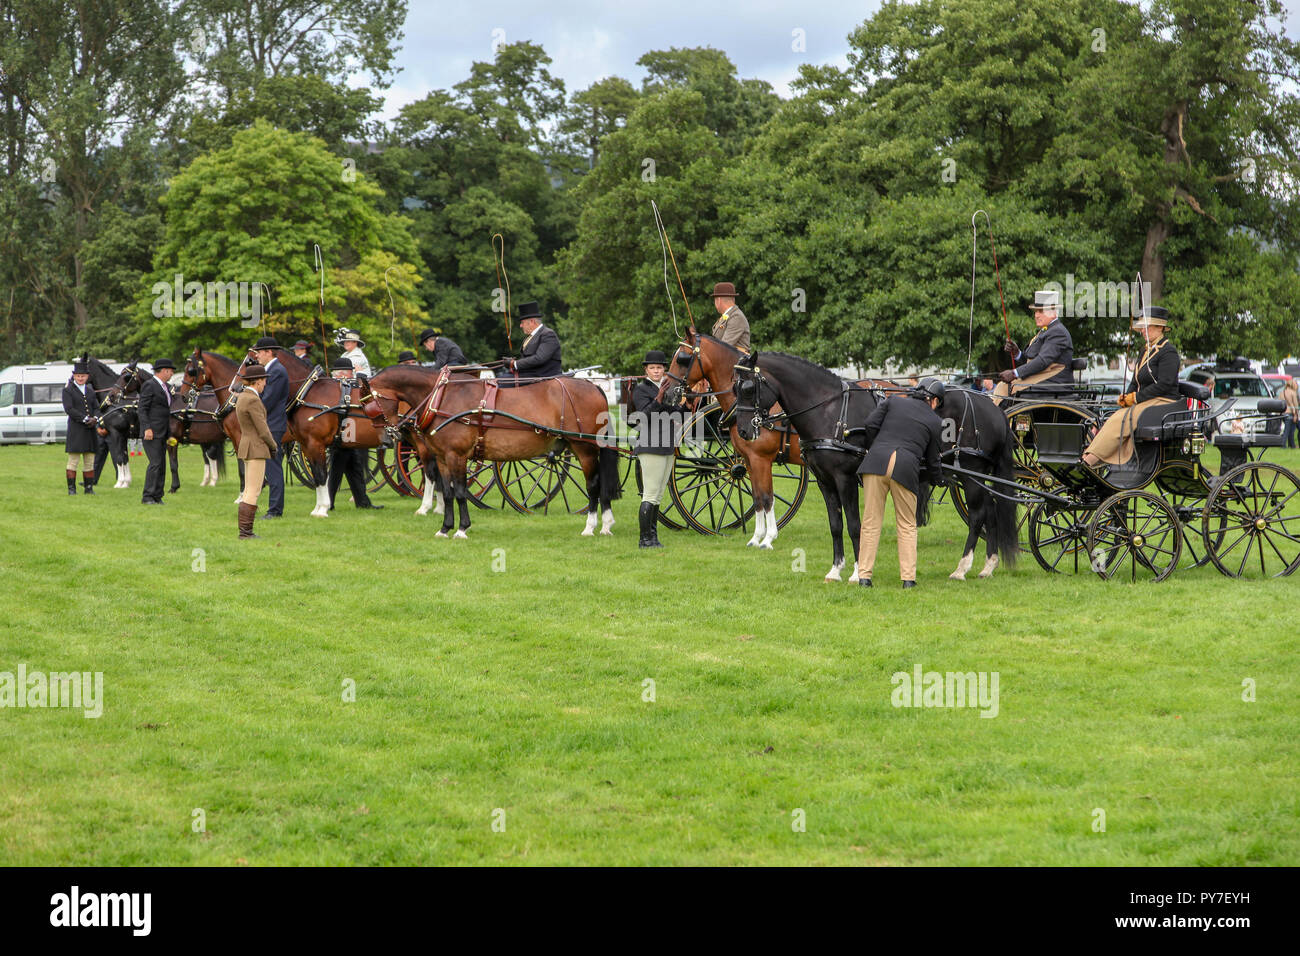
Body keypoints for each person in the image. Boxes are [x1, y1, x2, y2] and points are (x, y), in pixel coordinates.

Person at [856, 378, 945, 589]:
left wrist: (875, 447)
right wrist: (939, 479)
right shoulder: (934, 421)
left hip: (876, 462)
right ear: (933, 400)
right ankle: (907, 579)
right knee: (906, 524)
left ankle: (864, 577)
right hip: (905, 468)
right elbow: (934, 459)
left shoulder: (894, 401)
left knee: (870, 522)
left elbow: (870, 423)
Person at [1082, 306, 1180, 468]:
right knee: (1113, 416)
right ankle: (1090, 455)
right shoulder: (1145, 351)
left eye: (1146, 327)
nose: (1142, 331)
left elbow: (1165, 384)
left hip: (1164, 402)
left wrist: (1135, 398)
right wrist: (1126, 398)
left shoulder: (1168, 352)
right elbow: (1135, 381)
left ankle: (1090, 460)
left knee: (1123, 418)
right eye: (1142, 327)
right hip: (1146, 401)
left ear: (1160, 328)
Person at [631, 350, 684, 548]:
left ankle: (653, 538)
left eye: (659, 367)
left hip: (667, 446)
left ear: (664, 370)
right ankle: (644, 539)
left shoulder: (668, 388)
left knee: (659, 494)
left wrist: (686, 405)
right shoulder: (641, 390)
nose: (656, 371)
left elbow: (676, 413)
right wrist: (659, 398)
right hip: (650, 445)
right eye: (652, 368)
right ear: (646, 369)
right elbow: (642, 418)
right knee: (650, 494)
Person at [992, 289, 1074, 404]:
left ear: (1053, 312)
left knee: (1007, 390)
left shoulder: (1058, 332)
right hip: (1042, 380)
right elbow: (1031, 361)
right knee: (1003, 387)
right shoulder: (1045, 331)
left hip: (1053, 384)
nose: (1036, 315)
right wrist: (1017, 354)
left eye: (1041, 311)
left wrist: (1014, 373)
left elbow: (1042, 361)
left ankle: (1003, 420)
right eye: (1035, 311)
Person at [326, 358, 383, 511]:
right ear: (343, 373)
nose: (352, 374)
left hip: (349, 430)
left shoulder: (346, 385)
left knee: (355, 467)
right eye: (351, 371)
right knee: (337, 469)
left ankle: (362, 501)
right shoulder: (337, 387)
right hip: (342, 432)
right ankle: (328, 501)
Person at [234, 364, 278, 539]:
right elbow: (263, 429)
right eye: (264, 380)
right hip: (256, 447)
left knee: (248, 490)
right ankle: (246, 532)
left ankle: (245, 531)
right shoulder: (253, 400)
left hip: (247, 445)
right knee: (253, 490)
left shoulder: (242, 397)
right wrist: (273, 446)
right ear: (258, 381)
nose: (265, 384)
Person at [250, 335, 289, 517]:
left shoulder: (277, 371)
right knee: (269, 467)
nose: (257, 355)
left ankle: (275, 509)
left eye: (259, 352)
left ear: (268, 352)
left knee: (273, 467)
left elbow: (267, 401)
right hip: (270, 424)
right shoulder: (270, 370)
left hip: (272, 425)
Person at [138, 358, 175, 504]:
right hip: (151, 432)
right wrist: (147, 428)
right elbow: (142, 409)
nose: (172, 374)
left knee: (161, 464)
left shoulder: (165, 387)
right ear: (164, 370)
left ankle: (157, 495)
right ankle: (147, 496)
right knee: (155, 463)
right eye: (171, 371)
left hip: (163, 431)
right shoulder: (149, 385)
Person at [501, 302, 561, 385]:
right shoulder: (530, 337)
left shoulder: (548, 334)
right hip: (530, 374)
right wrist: (512, 362)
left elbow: (539, 358)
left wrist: (515, 363)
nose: (521, 326)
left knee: (503, 381)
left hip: (543, 376)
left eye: (522, 322)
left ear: (532, 321)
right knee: (501, 377)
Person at [62, 360, 99, 495]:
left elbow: (96, 407)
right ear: (74, 376)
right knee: (73, 461)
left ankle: (89, 488)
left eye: (83, 376)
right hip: (76, 430)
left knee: (89, 461)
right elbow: (69, 409)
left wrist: (96, 418)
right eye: (78, 376)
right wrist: (85, 419)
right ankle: (72, 489)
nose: (81, 378)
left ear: (87, 376)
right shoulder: (68, 390)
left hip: (90, 430)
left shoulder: (90, 391)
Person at [709, 281, 750, 353]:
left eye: (715, 300)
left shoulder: (736, 317)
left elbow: (724, 346)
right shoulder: (729, 315)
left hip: (737, 362)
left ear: (718, 300)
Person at [1282, 377, 1299, 449]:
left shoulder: (1282, 392)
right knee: (1289, 431)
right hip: (1290, 413)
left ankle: (1292, 445)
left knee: (1288, 430)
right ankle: (1283, 445)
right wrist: (1296, 415)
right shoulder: (1293, 393)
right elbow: (1295, 405)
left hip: (1283, 413)